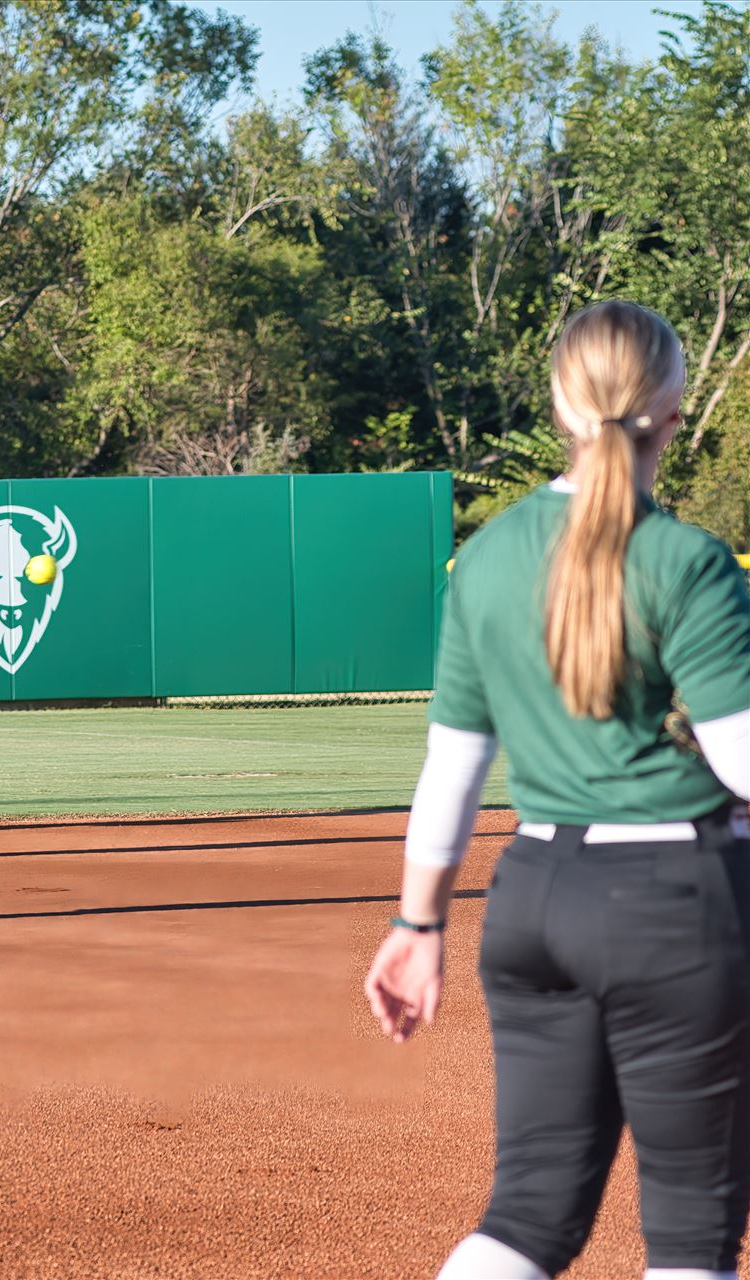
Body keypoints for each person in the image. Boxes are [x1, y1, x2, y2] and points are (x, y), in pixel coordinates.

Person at [363, 300, 750, 1280]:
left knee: (529, 1213)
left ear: (559, 404)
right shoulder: (685, 559)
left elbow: (451, 769)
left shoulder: (487, 556)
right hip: (676, 905)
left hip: (533, 897)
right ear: (673, 406)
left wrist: (415, 928)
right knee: (692, 1233)